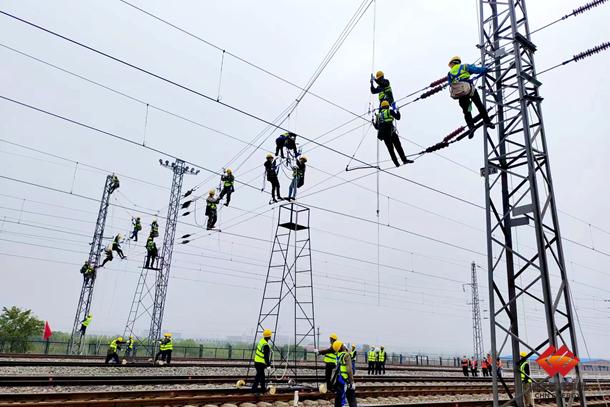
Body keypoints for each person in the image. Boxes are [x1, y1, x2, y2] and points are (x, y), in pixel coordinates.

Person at [447, 56, 495, 138]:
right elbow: (476, 70)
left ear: (452, 63)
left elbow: (450, 83)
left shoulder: (450, 73)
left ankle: (471, 127)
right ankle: (487, 121)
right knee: (479, 105)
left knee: (466, 111)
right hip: (469, 89)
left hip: (460, 93)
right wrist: (485, 69)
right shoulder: (465, 66)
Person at [373, 100, 413, 167]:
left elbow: (377, 127)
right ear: (388, 106)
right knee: (398, 146)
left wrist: (373, 123)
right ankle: (404, 160)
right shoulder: (389, 111)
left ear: (382, 107)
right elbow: (398, 117)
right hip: (391, 133)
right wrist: (396, 110)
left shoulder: (378, 115)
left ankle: (396, 163)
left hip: (385, 136)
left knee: (390, 149)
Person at [332, 341, 357, 407]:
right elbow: (349, 370)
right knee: (352, 398)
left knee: (338, 398)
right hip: (346, 380)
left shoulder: (337, 355)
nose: (343, 345)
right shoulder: (346, 355)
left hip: (339, 380)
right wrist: (352, 382)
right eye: (342, 345)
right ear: (340, 347)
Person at [252, 329, 272, 393]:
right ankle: (254, 389)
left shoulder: (261, 341)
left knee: (262, 376)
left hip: (257, 361)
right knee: (259, 376)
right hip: (260, 363)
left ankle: (263, 389)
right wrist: (268, 365)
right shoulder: (266, 345)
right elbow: (266, 356)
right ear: (269, 337)